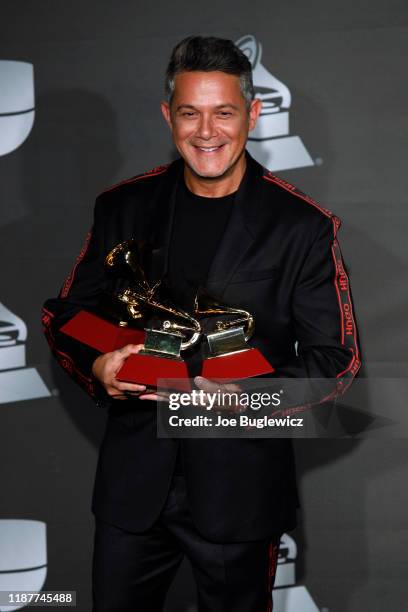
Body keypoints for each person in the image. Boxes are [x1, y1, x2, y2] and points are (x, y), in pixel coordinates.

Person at [42, 36, 361, 612]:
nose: (206, 131)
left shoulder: (301, 226)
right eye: (190, 112)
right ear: (169, 115)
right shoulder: (122, 208)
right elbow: (69, 314)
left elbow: (334, 362)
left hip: (239, 490)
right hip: (133, 488)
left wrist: (248, 398)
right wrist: (98, 361)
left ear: (253, 114)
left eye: (224, 112)